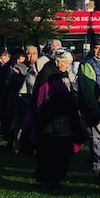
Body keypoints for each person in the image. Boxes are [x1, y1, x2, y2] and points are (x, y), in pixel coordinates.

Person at [30, 48, 82, 188]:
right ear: (58, 61)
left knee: (63, 151)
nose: (68, 66)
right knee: (50, 152)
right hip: (51, 122)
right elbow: (41, 100)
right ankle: (49, 178)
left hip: (63, 120)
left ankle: (56, 178)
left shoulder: (62, 73)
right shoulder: (47, 74)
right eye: (66, 63)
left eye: (70, 63)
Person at [77, 35, 100, 175]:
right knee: (97, 136)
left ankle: (92, 158)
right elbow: (88, 90)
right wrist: (94, 109)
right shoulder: (87, 64)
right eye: (96, 48)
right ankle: (97, 165)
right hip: (94, 106)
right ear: (91, 49)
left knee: (99, 135)